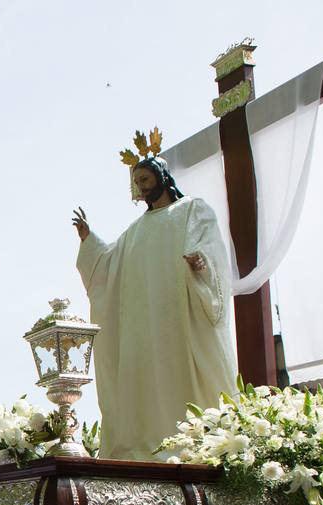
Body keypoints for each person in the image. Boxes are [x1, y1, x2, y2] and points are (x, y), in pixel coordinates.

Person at [73, 154, 237, 460]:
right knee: (146, 392)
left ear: (162, 177)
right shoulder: (136, 231)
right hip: (144, 329)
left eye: (145, 180)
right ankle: (147, 448)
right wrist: (90, 241)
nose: (141, 188)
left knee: (183, 387)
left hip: (179, 318)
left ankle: (196, 444)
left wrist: (201, 265)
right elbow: (109, 267)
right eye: (137, 183)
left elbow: (210, 250)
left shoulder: (191, 210)